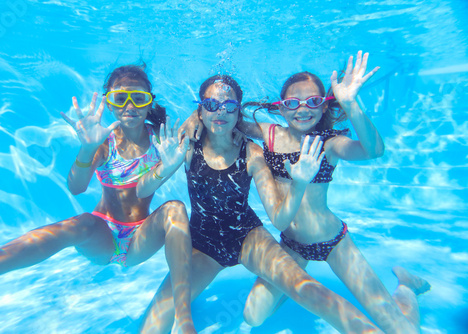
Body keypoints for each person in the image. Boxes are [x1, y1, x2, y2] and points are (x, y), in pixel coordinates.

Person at [137, 74, 385, 334]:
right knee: (152, 325)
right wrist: (164, 167)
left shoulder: (252, 152)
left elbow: (279, 219)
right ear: (200, 109)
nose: (220, 111)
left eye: (229, 106)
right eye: (210, 105)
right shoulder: (186, 146)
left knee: (307, 288)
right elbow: (143, 191)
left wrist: (299, 183)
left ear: (237, 112)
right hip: (203, 245)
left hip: (248, 237)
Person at [0, 65, 197, 334]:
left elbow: (194, 129)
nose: (130, 106)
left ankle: (183, 320)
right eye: (120, 99)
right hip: (101, 237)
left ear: (150, 102)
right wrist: (87, 147)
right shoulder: (103, 141)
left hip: (141, 239)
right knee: (79, 223)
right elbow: (76, 187)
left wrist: (200, 116)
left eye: (139, 98)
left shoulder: (162, 139)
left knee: (176, 209)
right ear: (109, 104)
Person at [236, 51, 430, 333]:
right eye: (293, 103)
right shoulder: (270, 134)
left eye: (313, 101)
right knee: (253, 315)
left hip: (334, 242)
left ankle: (406, 286)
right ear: (281, 107)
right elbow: (227, 118)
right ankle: (295, 287)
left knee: (402, 329)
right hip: (291, 245)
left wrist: (351, 104)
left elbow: (373, 151)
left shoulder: (329, 143)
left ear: (325, 106)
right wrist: (198, 114)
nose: (303, 109)